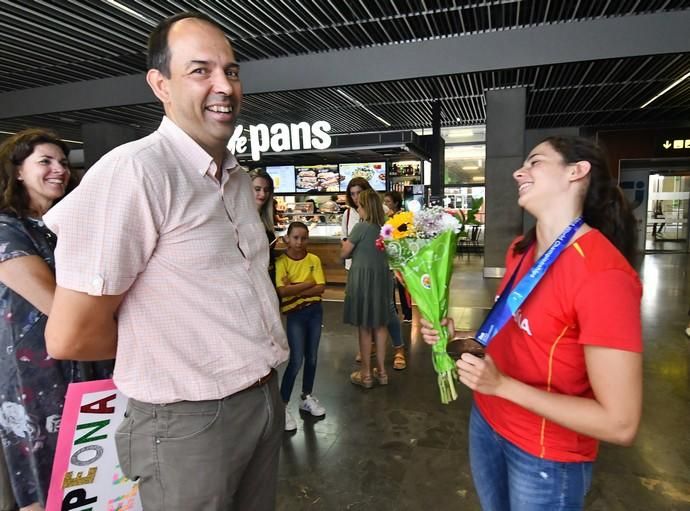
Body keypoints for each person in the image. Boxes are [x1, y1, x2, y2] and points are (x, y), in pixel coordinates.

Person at [43, 12, 288, 511]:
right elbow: (71, 335)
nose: (224, 86)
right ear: (161, 84)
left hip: (263, 397)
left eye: (232, 71)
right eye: (200, 71)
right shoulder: (134, 173)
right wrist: (175, 348)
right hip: (187, 422)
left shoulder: (238, 180)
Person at [422, 136, 643, 510]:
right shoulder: (521, 251)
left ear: (576, 171)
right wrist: (457, 337)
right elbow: (520, 334)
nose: (517, 171)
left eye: (535, 161)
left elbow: (620, 424)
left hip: (544, 454)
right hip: (488, 422)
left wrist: (502, 385)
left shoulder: (603, 274)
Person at [0, 129, 77, 511]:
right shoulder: (6, 229)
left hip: (84, 362)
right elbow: (54, 303)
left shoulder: (66, 226)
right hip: (34, 375)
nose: (58, 169)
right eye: (44, 161)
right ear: (16, 172)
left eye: (62, 162)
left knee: (86, 475)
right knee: (42, 480)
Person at [342, 179, 405, 369]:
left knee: (387, 310)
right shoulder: (347, 215)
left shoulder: (384, 213)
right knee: (365, 312)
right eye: (352, 194)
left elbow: (393, 241)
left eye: (359, 193)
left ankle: (399, 349)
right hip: (357, 269)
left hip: (380, 270)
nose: (355, 198)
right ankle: (371, 352)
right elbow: (345, 241)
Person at [275, 222, 326, 432]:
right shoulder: (281, 262)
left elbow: (321, 287)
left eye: (303, 238)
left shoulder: (314, 259)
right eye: (295, 237)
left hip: (315, 312)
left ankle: (306, 396)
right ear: (287, 238)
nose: (299, 242)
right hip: (295, 315)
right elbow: (282, 292)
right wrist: (308, 284)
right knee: (296, 360)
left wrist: (294, 287)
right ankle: (283, 404)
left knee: (312, 357)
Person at [384, 191, 413, 326]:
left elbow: (407, 234)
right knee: (389, 287)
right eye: (385, 202)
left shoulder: (403, 217)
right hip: (388, 255)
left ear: (396, 203)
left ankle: (407, 313)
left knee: (403, 285)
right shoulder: (384, 217)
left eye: (388, 201)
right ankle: (392, 312)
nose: (386, 204)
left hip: (401, 256)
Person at [249, 168, 277, 282]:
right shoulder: (238, 218)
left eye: (266, 190)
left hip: (268, 276)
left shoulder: (266, 218)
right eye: (257, 189)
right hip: (252, 279)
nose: (262, 194)